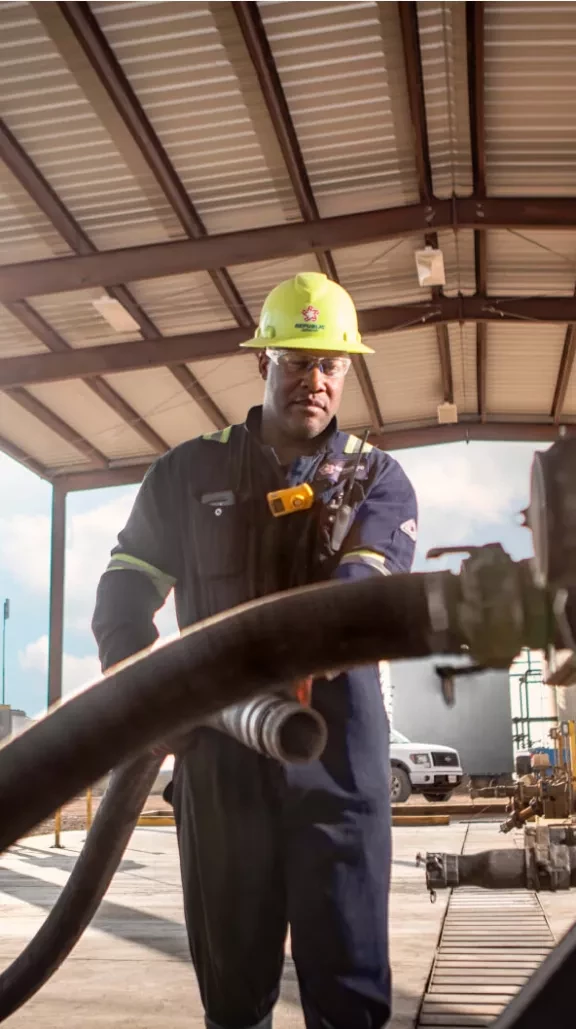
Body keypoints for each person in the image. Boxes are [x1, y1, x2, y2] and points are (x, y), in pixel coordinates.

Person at [92, 272, 418, 1029]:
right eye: (297, 359)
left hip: (336, 770)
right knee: (234, 997)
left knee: (350, 997)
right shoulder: (187, 472)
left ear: (347, 371)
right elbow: (126, 583)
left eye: (331, 363)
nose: (315, 379)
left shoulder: (376, 478)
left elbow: (362, 592)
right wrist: (144, 686)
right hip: (221, 763)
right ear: (262, 360)